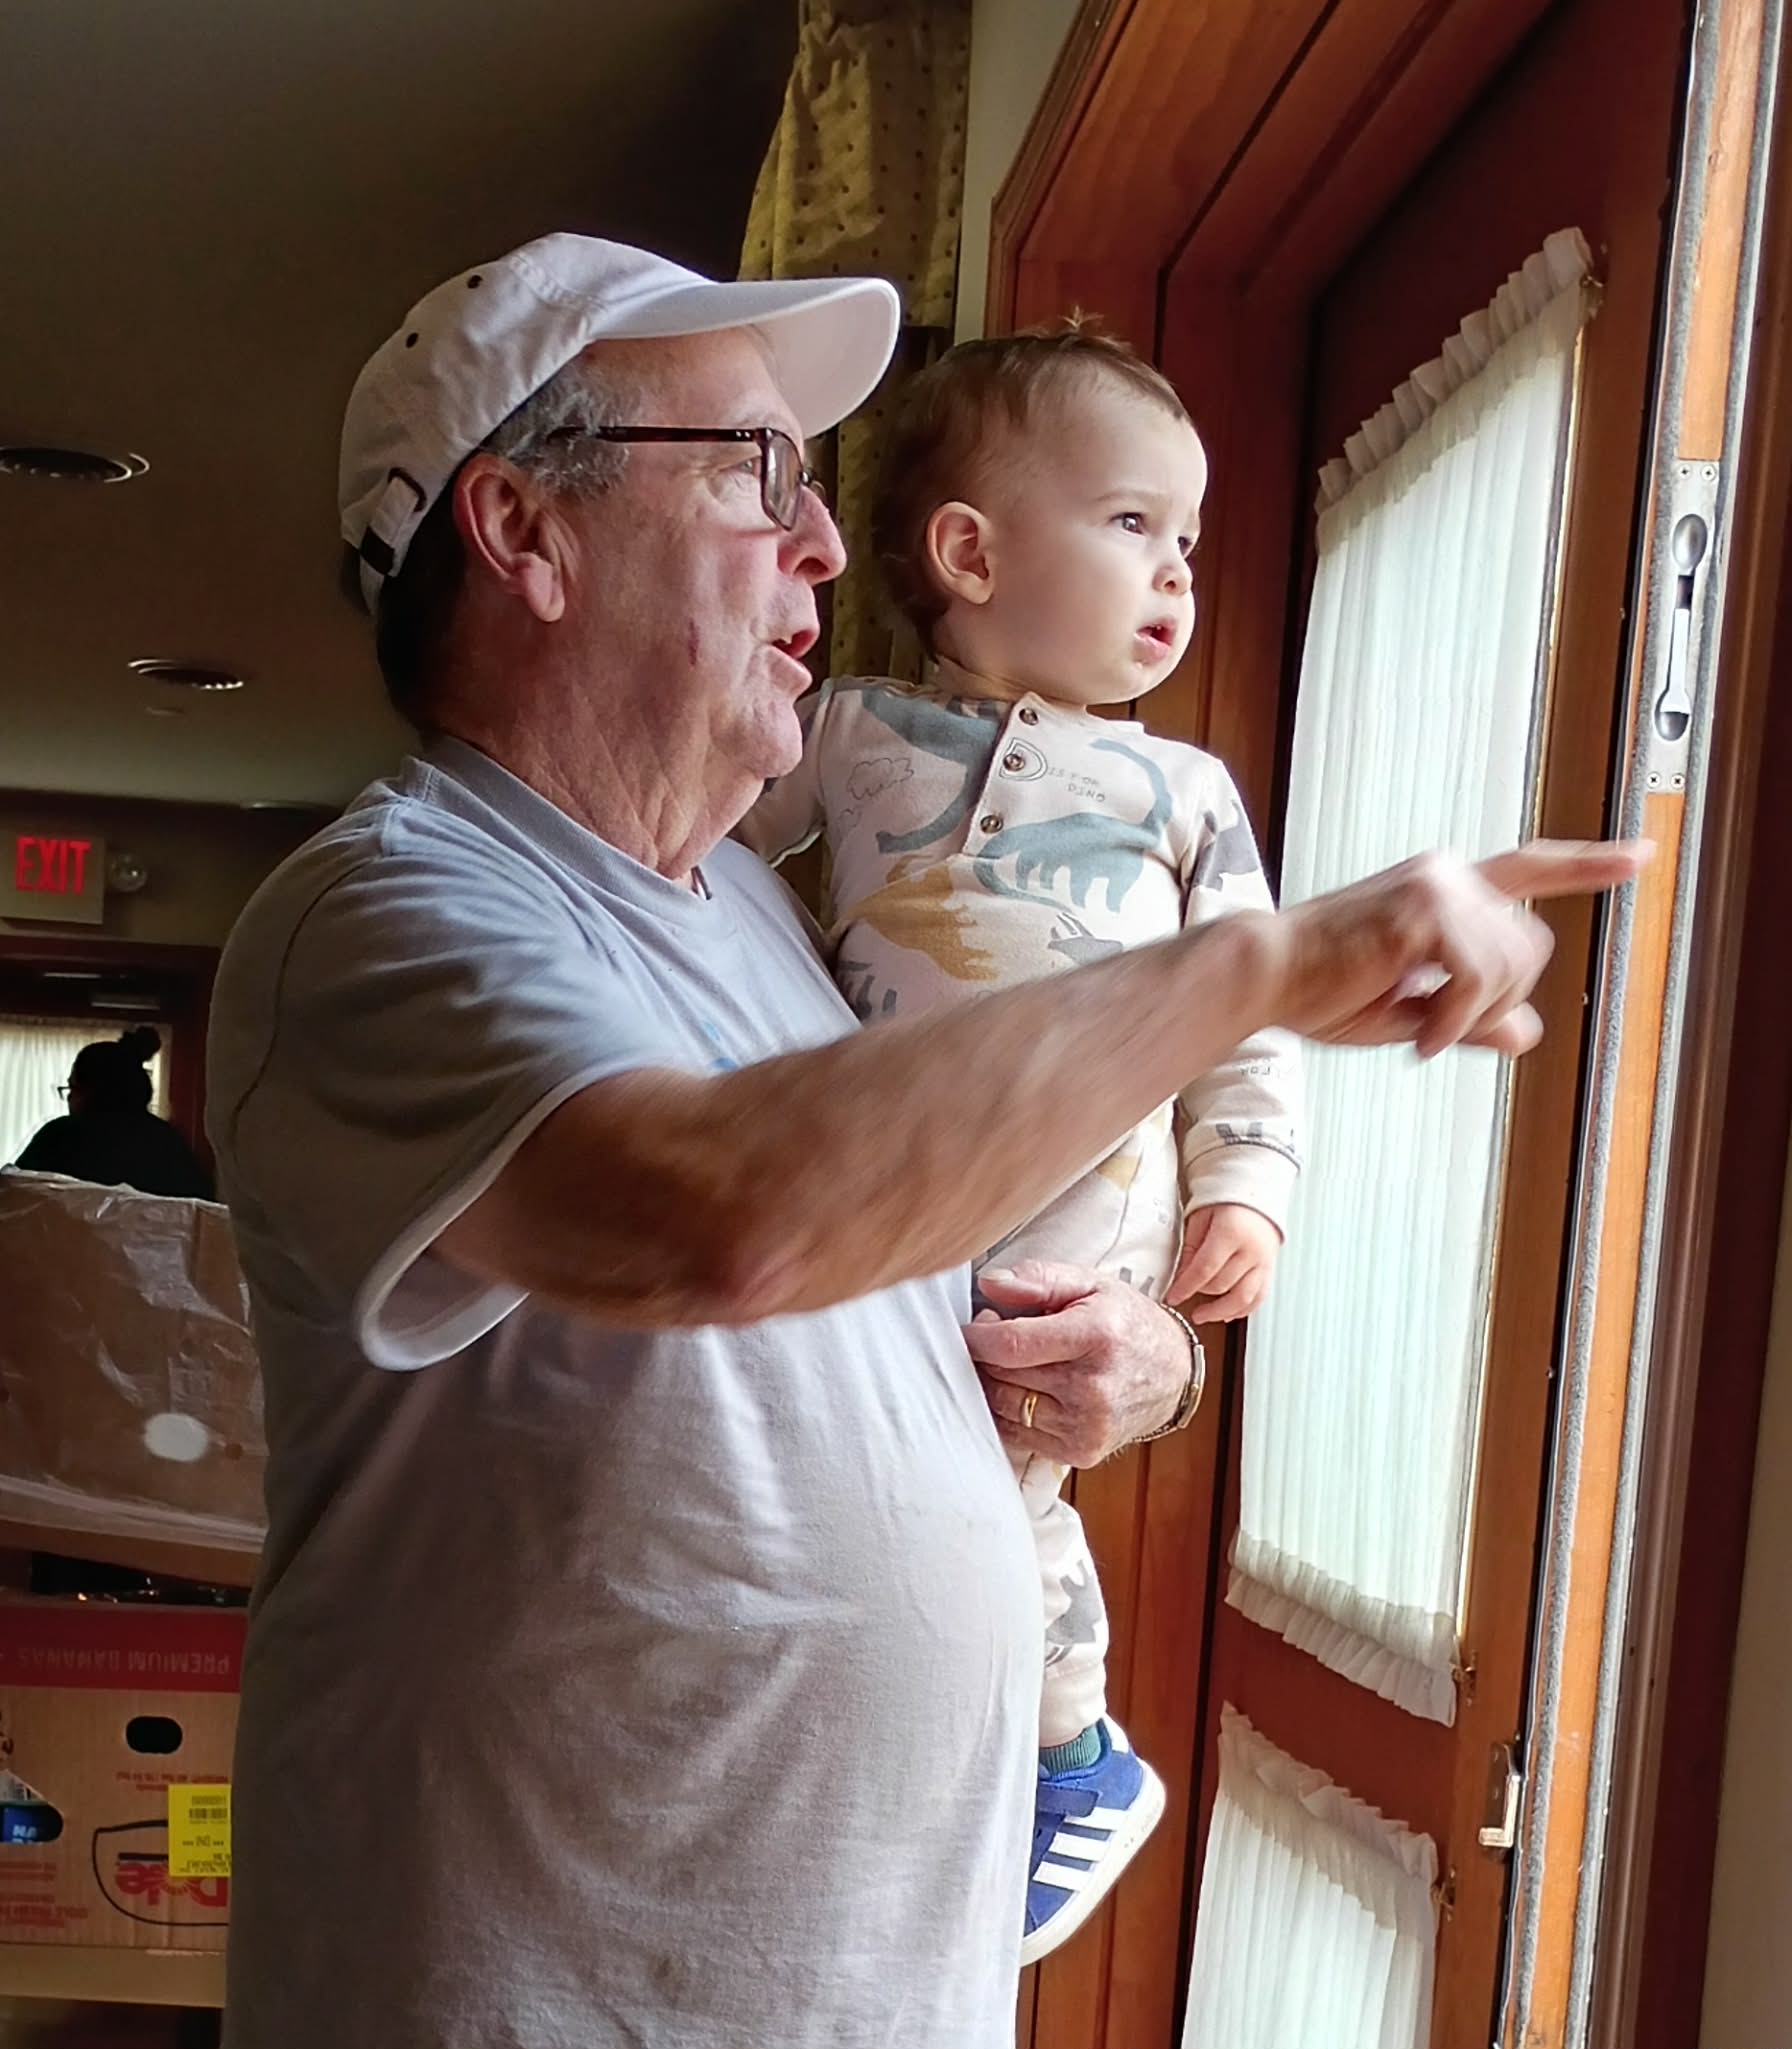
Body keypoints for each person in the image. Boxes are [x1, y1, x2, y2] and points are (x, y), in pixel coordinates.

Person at [204, 232, 1642, 2049]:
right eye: (755, 473)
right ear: (524, 531)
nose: (821, 541)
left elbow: (884, 1225)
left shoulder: (760, 911)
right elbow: (721, 1213)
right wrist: (1255, 967)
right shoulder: (390, 913)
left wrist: (1144, 1366)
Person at [737, 323, 1300, 1961]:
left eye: (1187, 537)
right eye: (1133, 523)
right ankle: (965, 1754)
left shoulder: (1182, 791)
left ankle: (1072, 1754)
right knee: (895, 1469)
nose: (1176, 570)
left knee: (1000, 1471)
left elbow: (1252, 998)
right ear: (971, 555)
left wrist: (1251, 1184)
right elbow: (690, 842)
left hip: (1083, 1208)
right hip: (897, 1193)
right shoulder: (850, 736)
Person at [13, 1024, 213, 1199]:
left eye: (72, 1088)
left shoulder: (58, 1137)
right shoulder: (168, 1143)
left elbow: (14, 1201)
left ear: (90, 1091)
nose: (69, 1098)